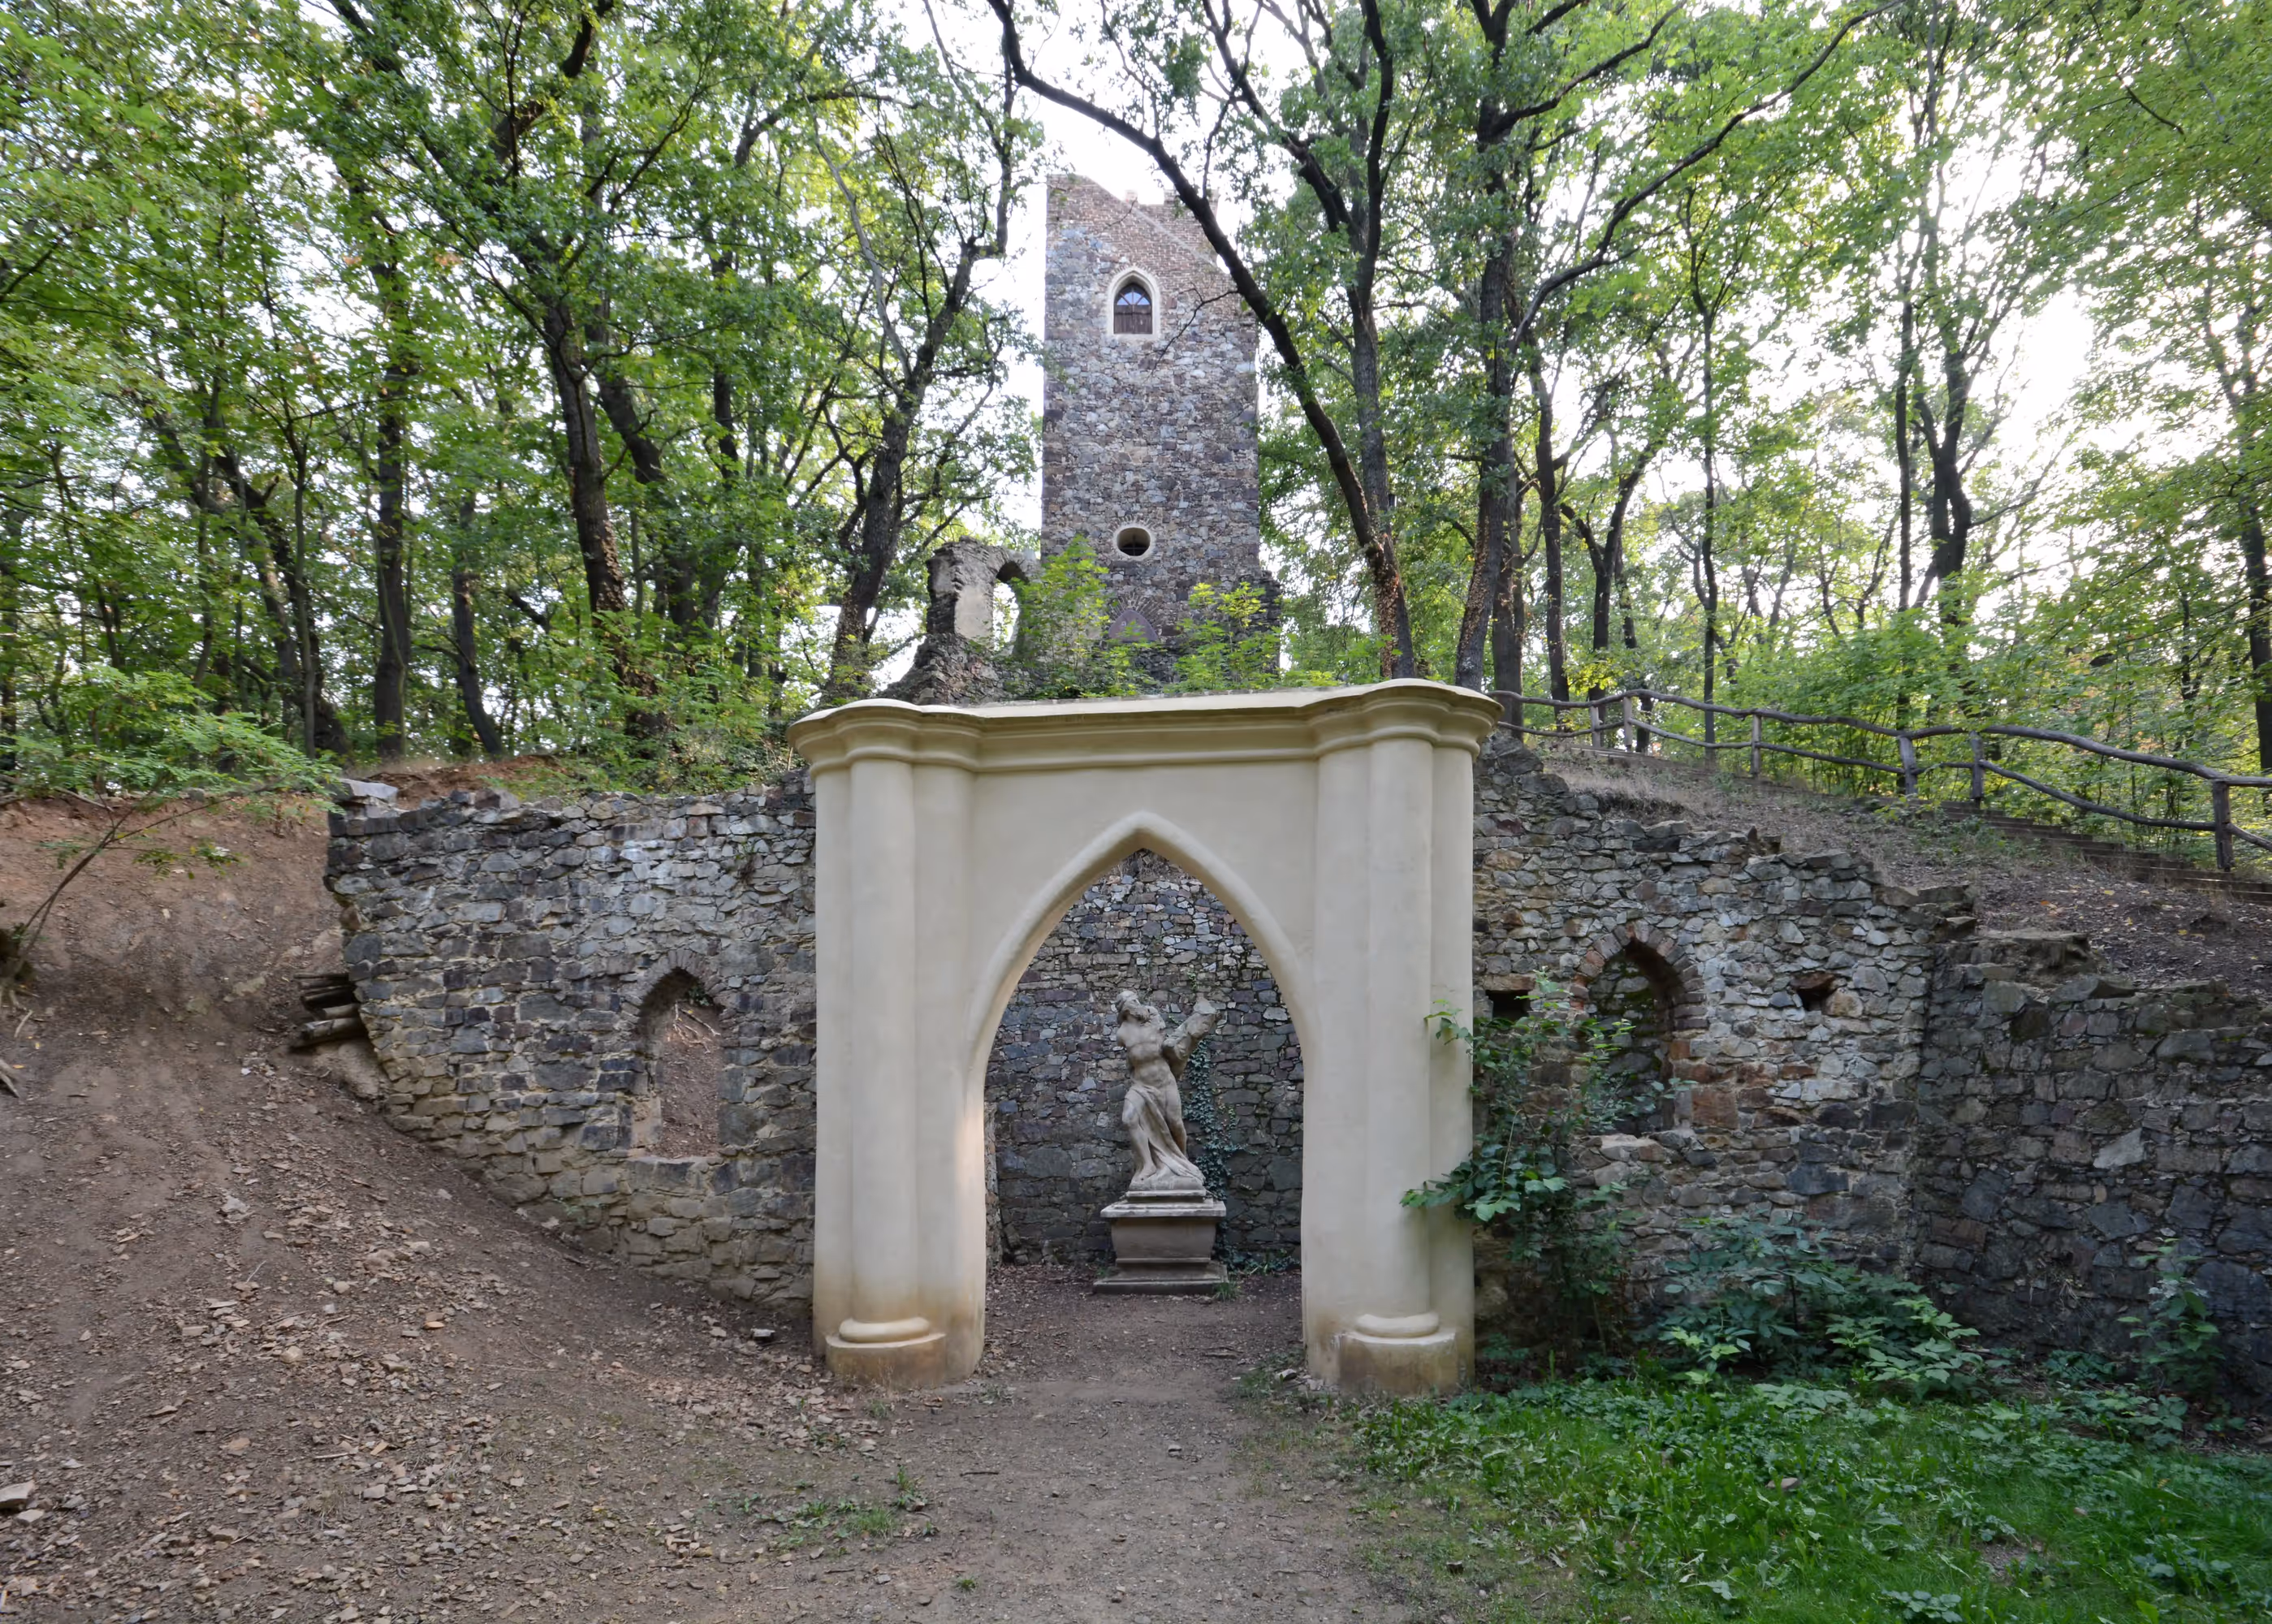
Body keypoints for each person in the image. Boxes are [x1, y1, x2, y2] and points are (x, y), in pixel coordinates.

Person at [1111, 989, 1218, 1194]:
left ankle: (1183, 1163)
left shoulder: (1152, 1016)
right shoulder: (1122, 1033)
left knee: (1175, 1124)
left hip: (1164, 1082)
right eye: (1130, 1002)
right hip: (1140, 1085)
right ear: (1124, 1009)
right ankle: (1148, 1165)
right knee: (1129, 1119)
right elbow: (1132, 1058)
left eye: (1135, 1000)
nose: (1135, 1004)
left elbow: (1170, 1041)